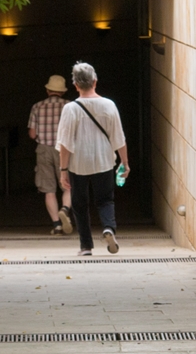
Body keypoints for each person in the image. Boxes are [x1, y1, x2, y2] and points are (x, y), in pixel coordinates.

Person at [56, 61, 129, 256]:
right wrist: (125, 162)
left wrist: (63, 170)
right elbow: (118, 137)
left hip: (78, 163)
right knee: (105, 200)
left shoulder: (70, 109)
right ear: (95, 81)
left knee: (79, 204)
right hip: (104, 160)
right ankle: (108, 228)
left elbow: (65, 143)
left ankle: (86, 246)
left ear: (76, 85)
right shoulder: (109, 105)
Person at [29, 74, 74, 235]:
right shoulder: (70, 106)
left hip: (44, 150)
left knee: (48, 189)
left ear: (48, 90)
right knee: (68, 185)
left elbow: (32, 134)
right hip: (64, 149)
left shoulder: (37, 107)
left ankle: (56, 225)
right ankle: (65, 209)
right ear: (62, 92)